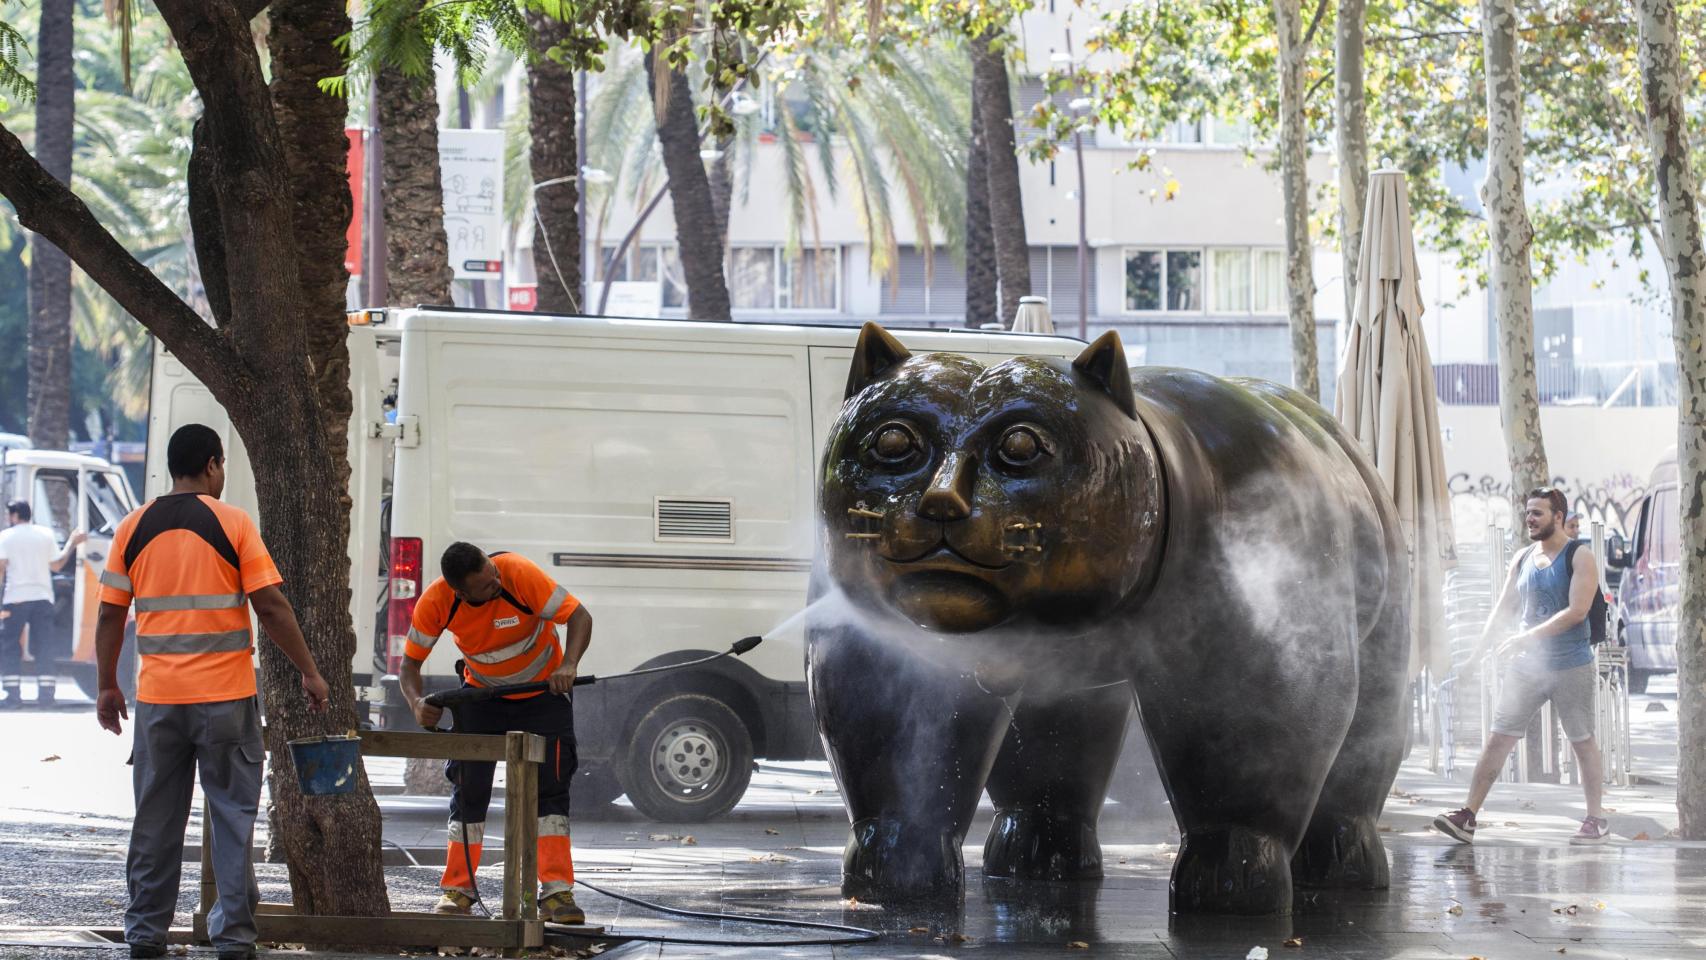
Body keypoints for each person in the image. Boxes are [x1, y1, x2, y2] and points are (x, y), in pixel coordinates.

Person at [93, 424, 330, 960]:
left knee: (155, 819)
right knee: (230, 818)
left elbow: (110, 614)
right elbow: (270, 606)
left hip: (159, 702)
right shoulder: (232, 522)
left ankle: (145, 934)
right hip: (225, 700)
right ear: (212, 464)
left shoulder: (133, 526)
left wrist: (107, 685)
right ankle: (234, 939)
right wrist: (310, 672)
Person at [400, 542, 593, 925]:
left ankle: (556, 893)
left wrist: (568, 664)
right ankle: (459, 890)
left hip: (543, 694)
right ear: (461, 593)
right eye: (487, 586)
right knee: (468, 792)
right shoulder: (436, 602)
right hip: (482, 697)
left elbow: (580, 616)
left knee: (551, 792)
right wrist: (416, 703)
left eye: (494, 575)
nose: (497, 584)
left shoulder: (519, 573)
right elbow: (409, 666)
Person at [1434, 487, 1609, 846]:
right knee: (1499, 737)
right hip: (1527, 667)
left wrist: (1526, 638)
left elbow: (1577, 611)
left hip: (1571, 664)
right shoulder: (1523, 558)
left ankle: (1596, 819)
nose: (1529, 519)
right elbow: (1501, 612)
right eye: (1528, 512)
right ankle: (1467, 816)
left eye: (1537, 513)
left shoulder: (1580, 556)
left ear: (1558, 517)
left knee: (1581, 741)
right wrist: (1473, 659)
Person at [0, 500, 85, 706]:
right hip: (42, 598)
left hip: (16, 598)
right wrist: (72, 543)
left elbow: (1, 570)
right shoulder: (45, 534)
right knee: (44, 646)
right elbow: (57, 565)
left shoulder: (5, 537)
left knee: (10, 645)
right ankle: (46, 695)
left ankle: (13, 696)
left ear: (14, 515)